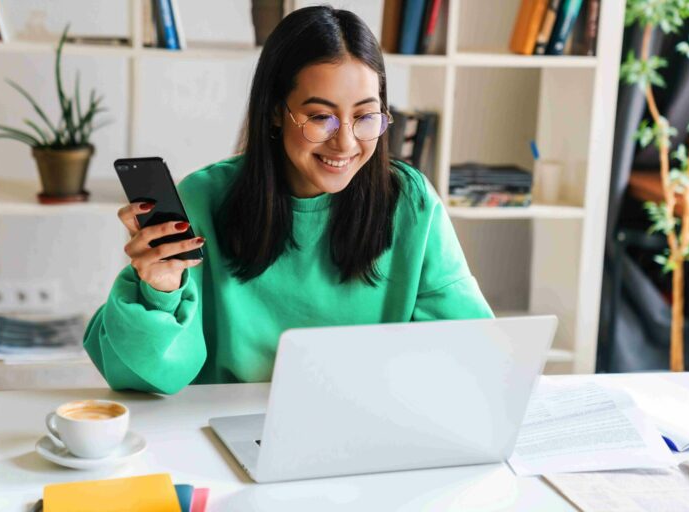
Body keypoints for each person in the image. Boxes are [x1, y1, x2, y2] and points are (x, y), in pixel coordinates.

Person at [83, 6, 493, 394]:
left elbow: (471, 355)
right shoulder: (203, 199)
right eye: (320, 117)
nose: (346, 142)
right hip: (225, 432)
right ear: (277, 112)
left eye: (366, 116)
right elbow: (138, 378)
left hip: (369, 427)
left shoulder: (410, 202)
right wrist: (159, 292)